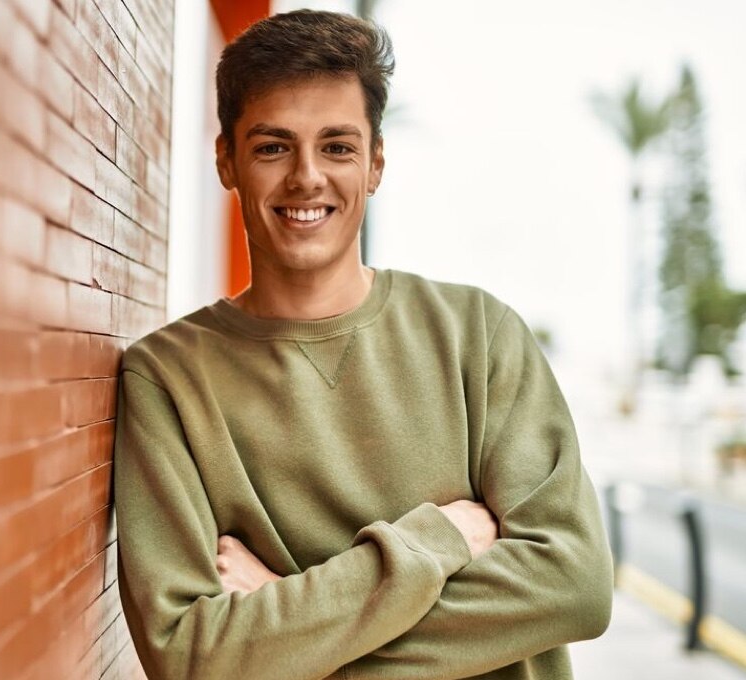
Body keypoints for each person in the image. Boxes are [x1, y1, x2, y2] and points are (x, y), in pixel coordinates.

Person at [113, 9, 612, 680]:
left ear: (375, 163)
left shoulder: (477, 335)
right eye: (272, 146)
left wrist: (292, 640)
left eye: (338, 146)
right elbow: (190, 655)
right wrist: (435, 543)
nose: (307, 177)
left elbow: (572, 587)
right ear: (226, 160)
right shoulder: (167, 378)